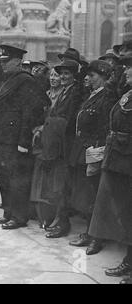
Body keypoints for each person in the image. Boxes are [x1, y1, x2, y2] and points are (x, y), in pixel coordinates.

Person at [0, 45, 45, 230]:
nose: (3, 65)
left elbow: (30, 114)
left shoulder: (26, 81)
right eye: (2, 62)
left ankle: (19, 216)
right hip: (4, 138)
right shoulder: (9, 79)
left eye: (7, 61)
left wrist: (23, 142)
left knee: (18, 179)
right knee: (3, 177)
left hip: (16, 141)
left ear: (18, 62)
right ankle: (8, 211)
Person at [88, 54, 132, 284]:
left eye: (129, 68)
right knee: (125, 212)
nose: (125, 72)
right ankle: (129, 261)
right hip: (120, 160)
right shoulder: (126, 94)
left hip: (127, 159)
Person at [68, 60, 118, 255]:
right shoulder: (92, 95)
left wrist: (98, 150)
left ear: (104, 78)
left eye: (93, 76)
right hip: (83, 151)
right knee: (86, 194)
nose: (87, 78)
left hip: (94, 152)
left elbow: (107, 127)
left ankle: (97, 238)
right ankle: (89, 233)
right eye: (87, 75)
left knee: (95, 196)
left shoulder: (107, 98)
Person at [42, 59, 84, 239]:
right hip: (57, 144)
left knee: (63, 186)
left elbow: (68, 119)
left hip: (66, 146)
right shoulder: (65, 91)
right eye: (61, 73)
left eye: (67, 73)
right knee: (57, 185)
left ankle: (63, 223)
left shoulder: (76, 92)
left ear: (74, 75)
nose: (63, 77)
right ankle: (59, 219)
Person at [30, 67, 63, 228]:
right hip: (40, 139)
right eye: (51, 75)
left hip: (53, 140)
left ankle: (51, 215)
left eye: (56, 75)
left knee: (52, 180)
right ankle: (39, 213)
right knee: (39, 177)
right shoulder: (45, 94)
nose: (53, 78)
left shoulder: (63, 96)